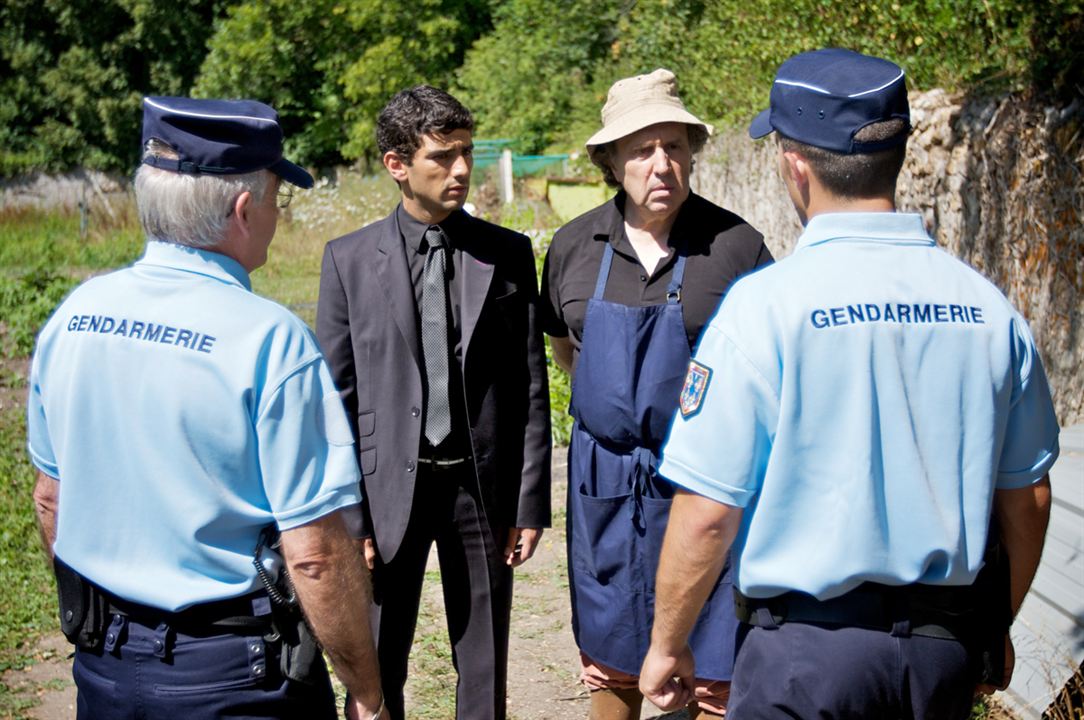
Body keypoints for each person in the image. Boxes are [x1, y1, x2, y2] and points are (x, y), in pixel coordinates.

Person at [639, 48, 1058, 719]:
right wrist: (989, 626)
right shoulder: (989, 309)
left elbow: (709, 511)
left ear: (794, 165)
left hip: (804, 659)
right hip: (938, 654)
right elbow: (1029, 497)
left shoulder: (764, 308)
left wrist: (667, 643)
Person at [27, 96, 388, 720]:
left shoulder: (73, 316)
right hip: (231, 676)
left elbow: (49, 499)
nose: (279, 215)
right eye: (278, 198)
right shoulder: (270, 341)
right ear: (244, 210)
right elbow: (316, 555)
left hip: (103, 662)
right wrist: (368, 693)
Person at [540, 68, 771, 719]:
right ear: (612, 161)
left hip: (707, 484)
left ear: (692, 152)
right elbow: (565, 350)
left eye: (674, 146)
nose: (661, 164)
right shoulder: (572, 247)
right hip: (608, 485)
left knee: (713, 663)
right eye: (641, 149)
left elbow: (769, 369)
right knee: (612, 656)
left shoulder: (736, 247)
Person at [316, 85, 551, 720]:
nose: (462, 171)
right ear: (397, 164)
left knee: (485, 659)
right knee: (376, 656)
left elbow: (529, 383)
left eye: (467, 154)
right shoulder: (347, 261)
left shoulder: (506, 254)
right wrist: (350, 518)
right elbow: (335, 399)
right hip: (387, 492)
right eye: (442, 157)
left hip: (480, 489)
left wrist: (527, 502)